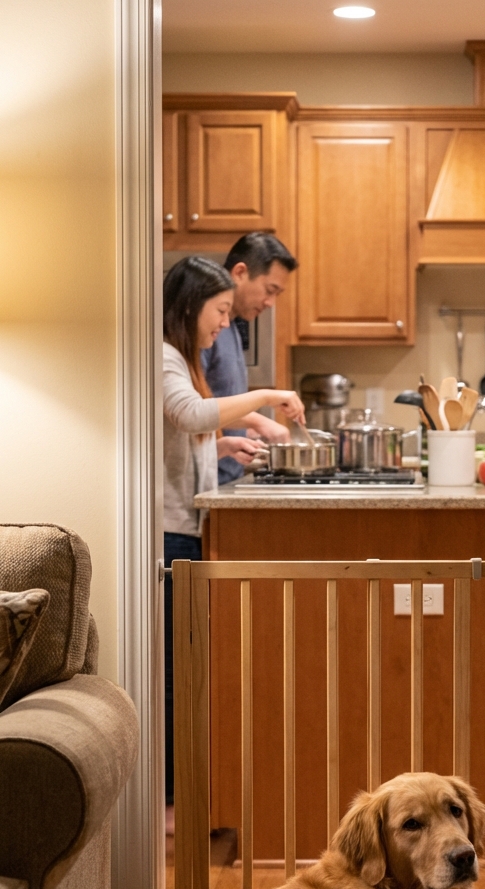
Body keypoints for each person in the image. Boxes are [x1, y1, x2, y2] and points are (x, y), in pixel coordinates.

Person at [163, 255, 306, 811]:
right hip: (172, 532)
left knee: (188, 665)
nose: (224, 323)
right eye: (219, 311)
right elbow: (191, 414)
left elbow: (183, 433)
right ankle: (174, 798)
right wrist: (265, 400)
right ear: (190, 305)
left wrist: (223, 447)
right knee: (178, 670)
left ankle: (185, 792)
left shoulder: (181, 358)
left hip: (185, 525)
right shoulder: (164, 357)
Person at [203, 232, 299, 484]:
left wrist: (247, 430)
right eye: (270, 290)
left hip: (225, 479)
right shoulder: (204, 329)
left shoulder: (232, 327)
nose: (271, 303)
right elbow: (192, 408)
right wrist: (259, 418)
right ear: (240, 272)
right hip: (205, 482)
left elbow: (219, 401)